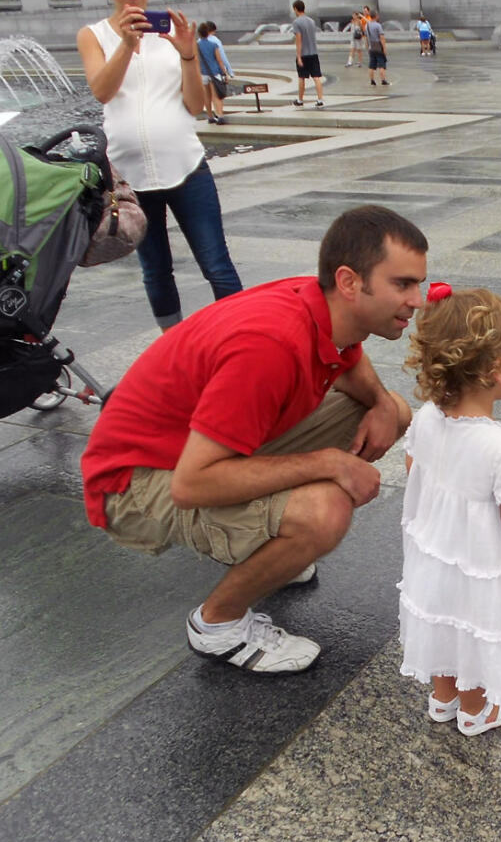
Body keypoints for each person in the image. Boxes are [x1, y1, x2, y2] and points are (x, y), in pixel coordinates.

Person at [80, 206, 428, 675]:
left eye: (418, 284)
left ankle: (273, 546)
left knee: (392, 410)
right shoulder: (269, 346)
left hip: (195, 449)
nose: (418, 300)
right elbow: (191, 487)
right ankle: (217, 625)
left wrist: (384, 404)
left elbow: (346, 354)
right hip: (134, 483)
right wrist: (328, 463)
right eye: (402, 285)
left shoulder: (319, 303)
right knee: (322, 513)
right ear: (349, 282)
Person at [397, 286, 501, 736]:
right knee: (471, 627)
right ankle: (477, 709)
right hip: (476, 563)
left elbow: (414, 467)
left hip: (432, 552)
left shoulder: (427, 415)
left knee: (440, 620)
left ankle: (443, 697)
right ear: (494, 370)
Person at [77, 0, 242, 330]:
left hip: (186, 166)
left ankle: (245, 339)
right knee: (155, 271)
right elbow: (103, 92)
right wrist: (125, 43)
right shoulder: (93, 36)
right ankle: (174, 346)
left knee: (216, 262)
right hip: (130, 179)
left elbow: (195, 105)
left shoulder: (170, 34)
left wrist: (186, 54)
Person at [291, 0, 324, 108]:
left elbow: (298, 39)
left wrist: (299, 56)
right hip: (313, 52)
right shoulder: (311, 21)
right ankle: (320, 99)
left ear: (296, 9)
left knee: (302, 77)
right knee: (316, 77)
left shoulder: (296, 22)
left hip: (304, 54)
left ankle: (300, 100)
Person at [196, 22, 230, 124]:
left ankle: (210, 117)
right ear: (208, 33)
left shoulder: (196, 46)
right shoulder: (213, 45)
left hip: (203, 73)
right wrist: (225, 73)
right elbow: (219, 60)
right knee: (216, 96)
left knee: (207, 96)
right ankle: (220, 116)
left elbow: (195, 61)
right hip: (215, 72)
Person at [367, 9, 389, 86]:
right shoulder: (378, 25)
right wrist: (384, 48)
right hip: (379, 48)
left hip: (371, 47)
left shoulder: (367, 25)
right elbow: (381, 37)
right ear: (376, 16)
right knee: (381, 65)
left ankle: (372, 80)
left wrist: (367, 47)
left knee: (371, 65)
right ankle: (383, 80)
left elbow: (366, 37)